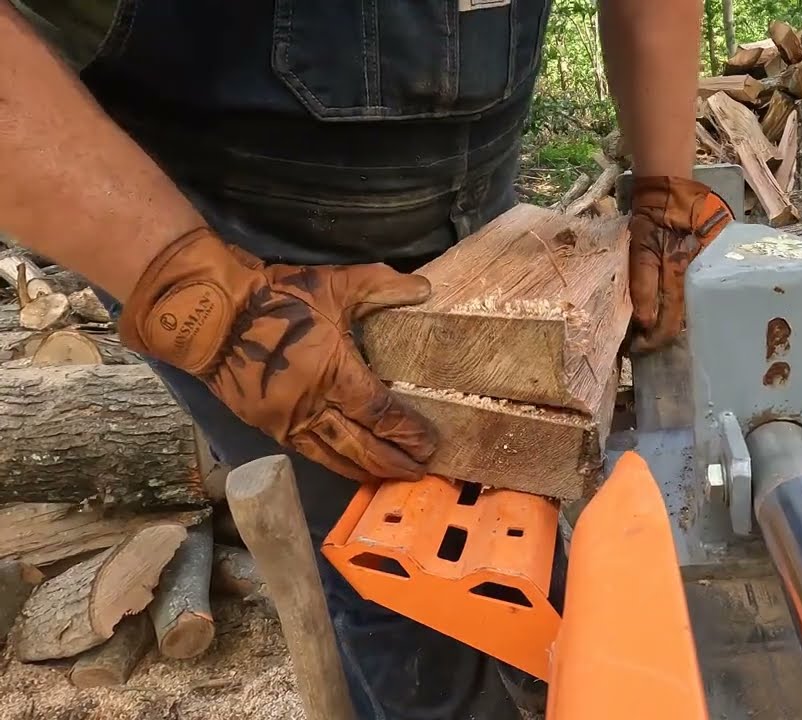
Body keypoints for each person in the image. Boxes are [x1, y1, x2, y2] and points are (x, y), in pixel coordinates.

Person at [0, 1, 730, 717]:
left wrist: (666, 187)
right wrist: (205, 302)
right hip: (223, 249)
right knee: (392, 573)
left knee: (516, 507)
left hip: (483, 225)